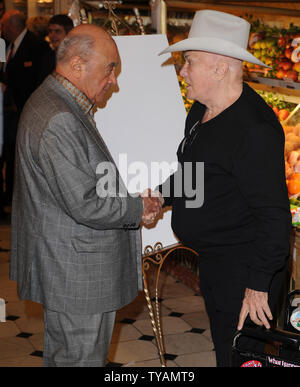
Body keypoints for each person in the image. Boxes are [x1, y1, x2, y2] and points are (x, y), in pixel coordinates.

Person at [10, 24, 162, 367]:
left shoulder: (55, 102)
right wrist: (139, 207)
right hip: (77, 277)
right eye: (110, 68)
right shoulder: (59, 117)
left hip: (70, 269)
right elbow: (86, 203)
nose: (114, 80)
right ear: (78, 64)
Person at [157, 10, 291, 367]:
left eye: (189, 62)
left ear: (220, 67)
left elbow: (275, 217)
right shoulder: (201, 111)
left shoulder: (254, 130)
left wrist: (257, 284)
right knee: (224, 348)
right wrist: (159, 194)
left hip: (246, 269)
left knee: (243, 357)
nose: (182, 71)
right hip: (216, 261)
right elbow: (197, 173)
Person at [0, 10, 55, 213]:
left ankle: (17, 201)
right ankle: (7, 198)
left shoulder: (37, 46)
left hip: (24, 113)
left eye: (4, 25)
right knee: (6, 156)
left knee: (17, 157)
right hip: (5, 113)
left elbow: (40, 81)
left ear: (13, 26)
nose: (2, 29)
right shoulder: (3, 45)